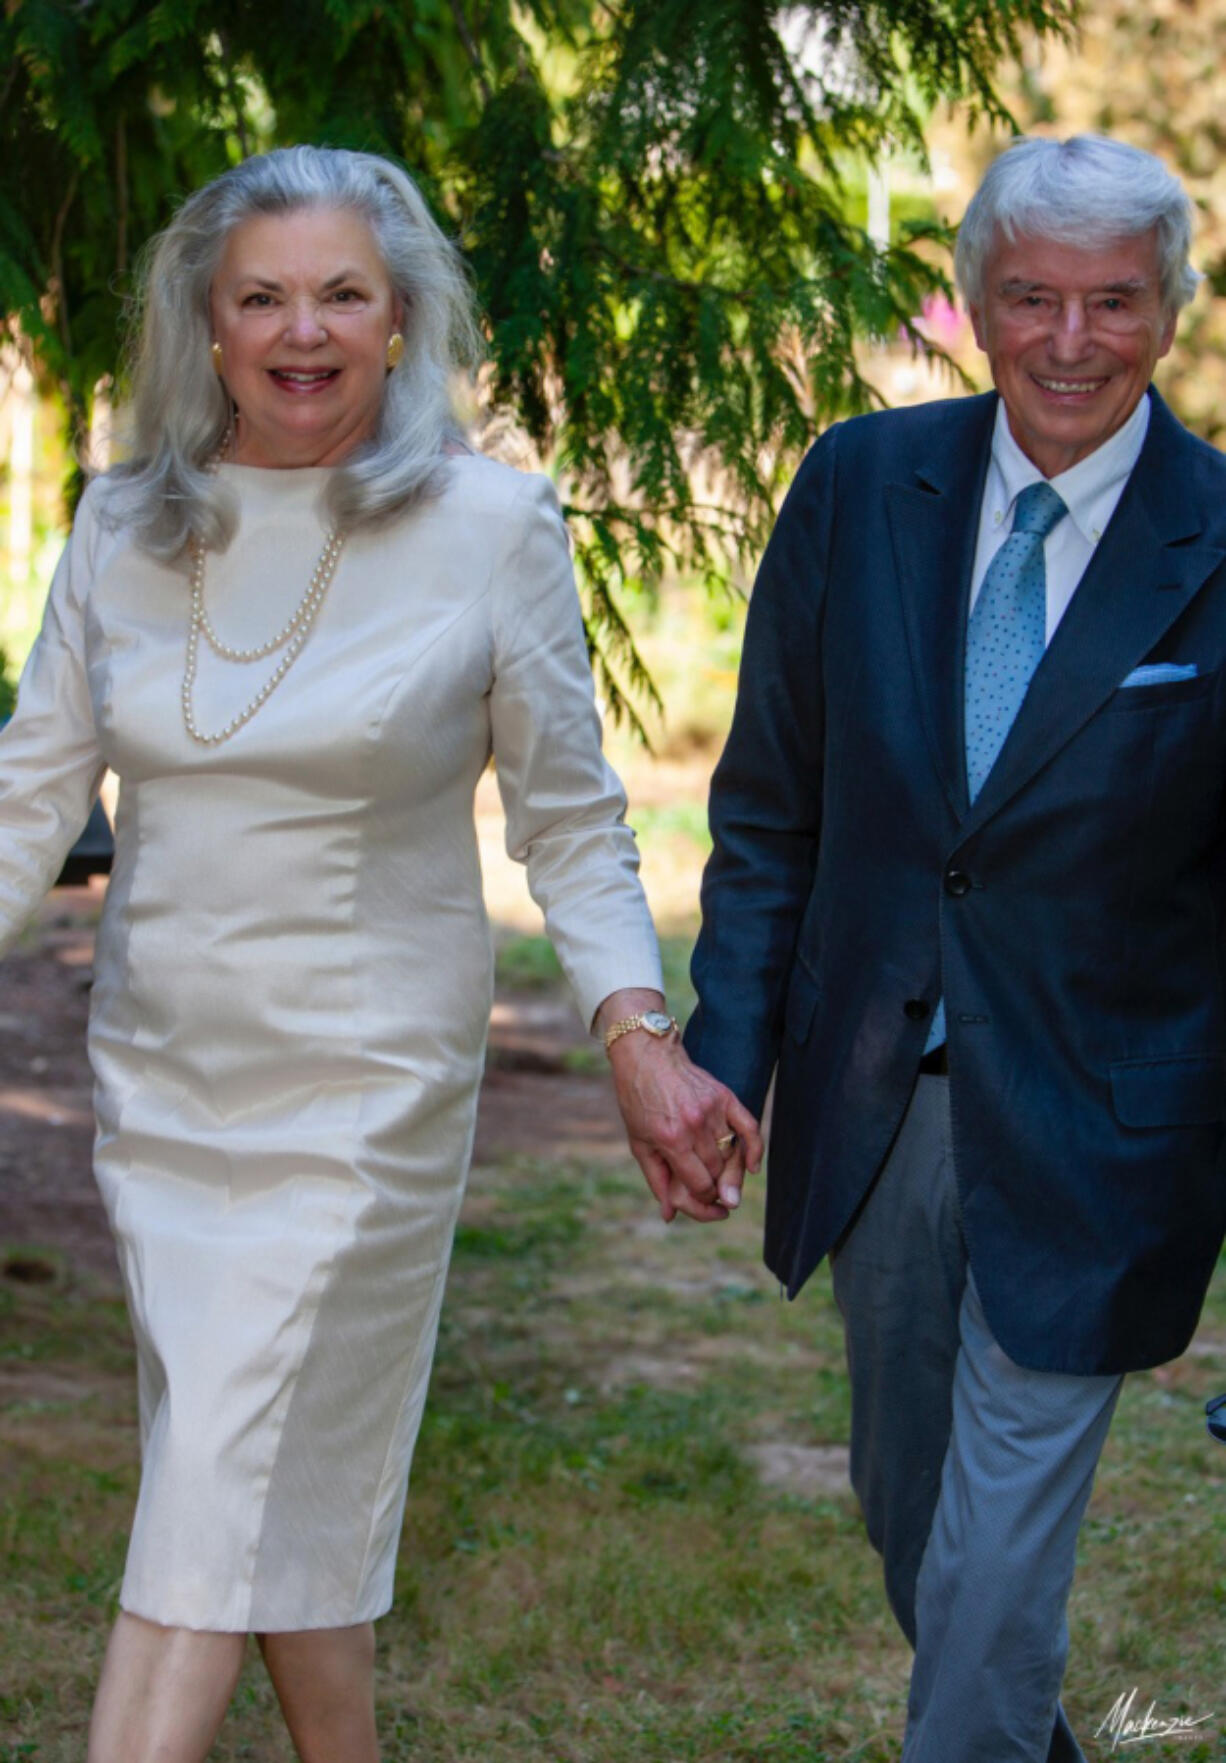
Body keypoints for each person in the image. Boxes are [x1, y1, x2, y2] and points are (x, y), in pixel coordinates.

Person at [0, 144, 758, 1763]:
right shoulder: (122, 525)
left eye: (344, 292)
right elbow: (26, 800)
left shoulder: (489, 524)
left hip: (362, 1095)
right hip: (165, 1084)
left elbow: (568, 817)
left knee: (211, 1485)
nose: (304, 330)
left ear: (400, 316)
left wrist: (634, 1026)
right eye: (261, 296)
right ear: (204, 326)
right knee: (273, 1481)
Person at [681, 133, 1226, 1762]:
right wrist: (723, 1054)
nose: (1070, 340)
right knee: (907, 1491)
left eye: (1112, 302)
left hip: (1107, 1122)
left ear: (1170, 313)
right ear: (974, 309)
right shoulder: (860, 484)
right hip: (882, 1092)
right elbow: (772, 804)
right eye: (1031, 299)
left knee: (1001, 1527)